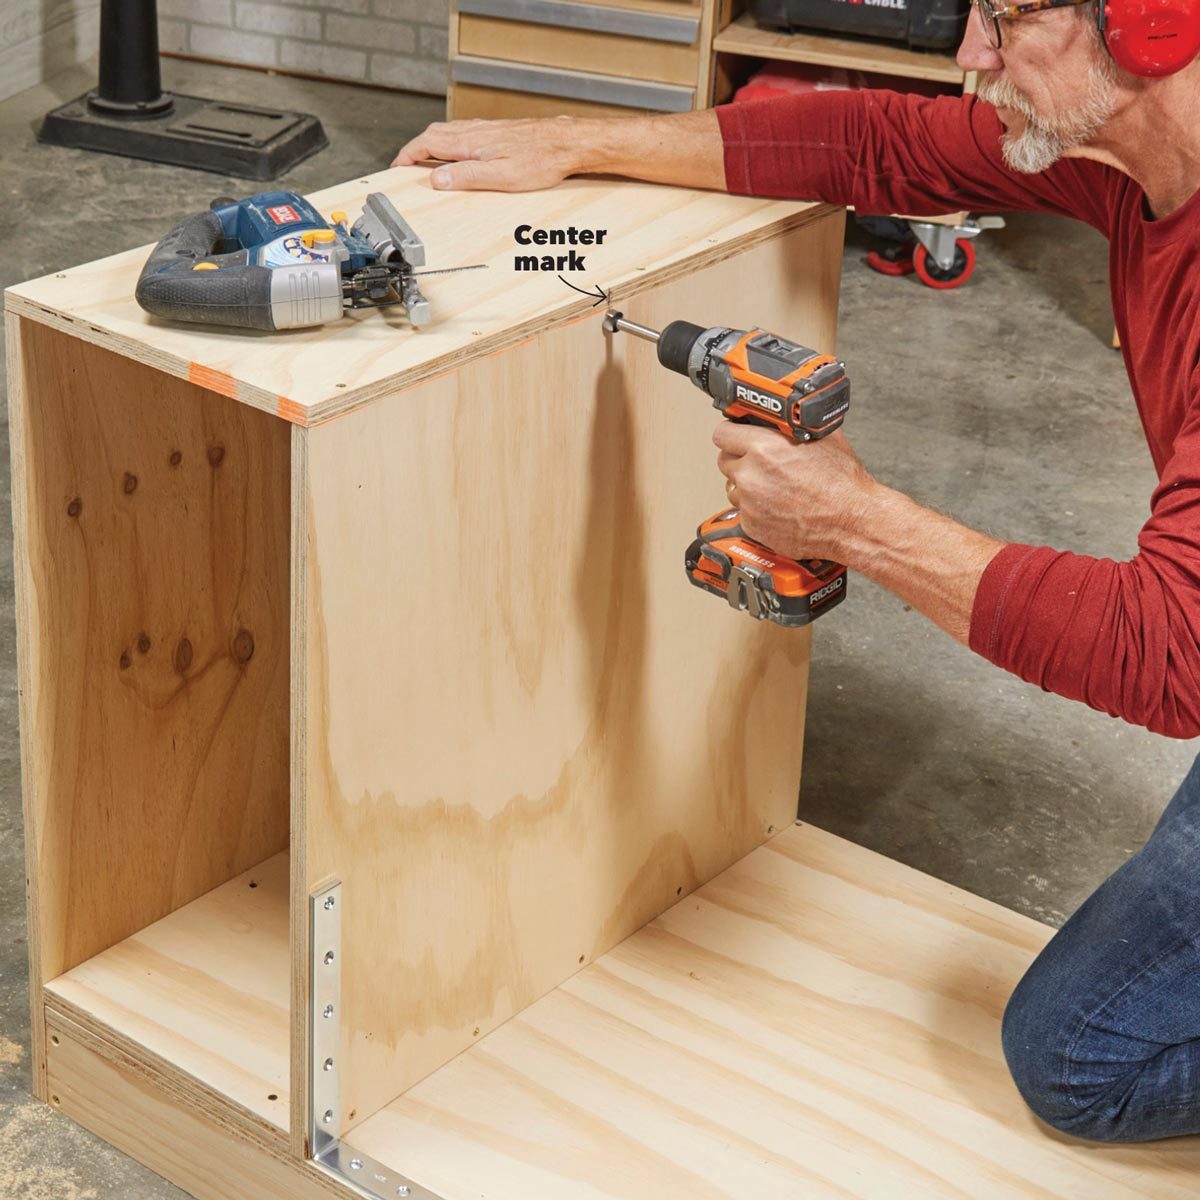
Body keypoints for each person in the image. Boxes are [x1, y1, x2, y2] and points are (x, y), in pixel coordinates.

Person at [391, 0, 1200, 1144]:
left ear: (1153, 25)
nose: (970, 53)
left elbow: (1172, 652)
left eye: (1005, 17)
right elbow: (876, 142)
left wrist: (857, 523)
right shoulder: (1132, 160)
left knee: (1078, 1058)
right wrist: (576, 139)